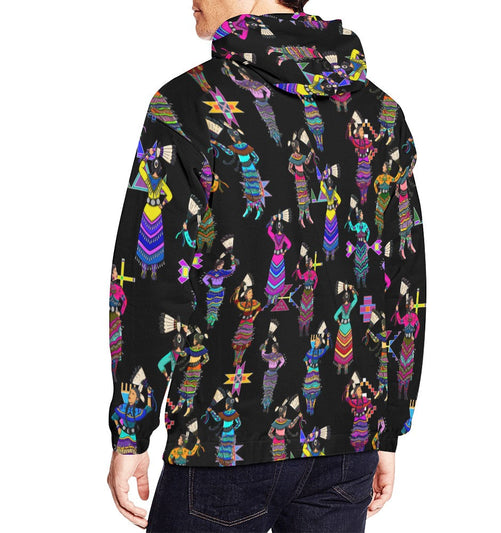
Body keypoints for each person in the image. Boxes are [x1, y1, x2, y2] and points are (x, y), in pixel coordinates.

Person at [106, 1, 427, 532]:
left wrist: (130, 430)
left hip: (219, 447)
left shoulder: (189, 102)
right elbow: (404, 280)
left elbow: (150, 276)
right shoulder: (380, 112)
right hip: (346, 443)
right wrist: (387, 426)